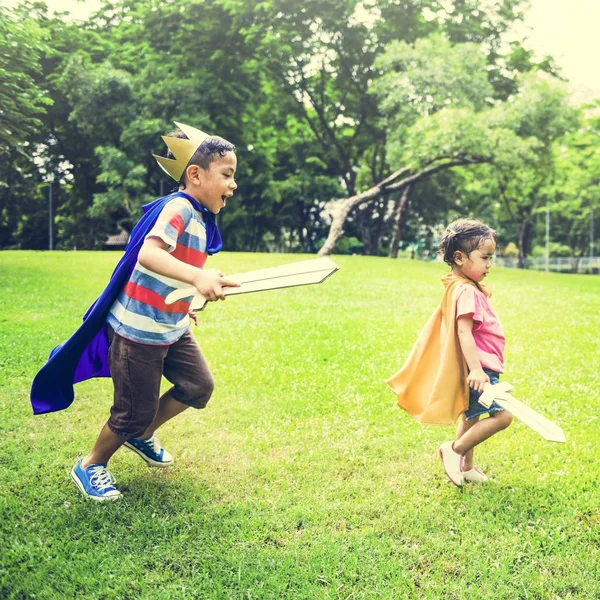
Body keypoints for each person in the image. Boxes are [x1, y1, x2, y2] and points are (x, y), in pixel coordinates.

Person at [31, 122, 239, 500]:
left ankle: (141, 434)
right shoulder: (178, 208)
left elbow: (163, 273)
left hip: (170, 324)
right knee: (132, 411)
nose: (233, 184)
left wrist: (187, 299)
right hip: (138, 333)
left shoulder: (200, 218)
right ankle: (91, 463)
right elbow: (149, 253)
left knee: (198, 386)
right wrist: (199, 276)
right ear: (195, 175)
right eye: (227, 174)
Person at [386, 218, 512, 487]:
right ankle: (453, 450)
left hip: (478, 368)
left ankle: (466, 467)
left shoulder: (460, 285)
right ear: (459, 257)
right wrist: (477, 370)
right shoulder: (465, 290)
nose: (490, 264)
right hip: (479, 370)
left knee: (471, 416)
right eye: (485, 258)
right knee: (503, 417)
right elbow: (463, 332)